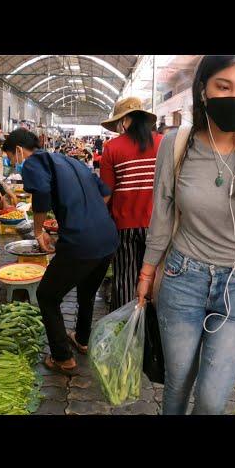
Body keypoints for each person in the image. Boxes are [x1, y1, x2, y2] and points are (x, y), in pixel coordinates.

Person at [136, 55, 235, 415]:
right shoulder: (176, 145)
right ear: (203, 91)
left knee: (211, 399)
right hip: (180, 278)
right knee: (177, 384)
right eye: (223, 86)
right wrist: (146, 274)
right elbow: (161, 215)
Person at [3, 128, 118, 375]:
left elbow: (41, 195)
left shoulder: (34, 162)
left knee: (47, 296)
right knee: (87, 292)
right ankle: (82, 340)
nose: (14, 163)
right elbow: (106, 192)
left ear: (19, 151)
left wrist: (37, 230)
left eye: (12, 158)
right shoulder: (72, 161)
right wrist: (88, 215)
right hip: (108, 238)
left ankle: (62, 358)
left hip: (80, 243)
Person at [99, 97, 163, 310]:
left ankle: (126, 329)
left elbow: (106, 192)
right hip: (157, 225)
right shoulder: (163, 143)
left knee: (125, 279)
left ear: (125, 120)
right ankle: (152, 329)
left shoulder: (112, 147)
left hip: (124, 225)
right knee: (154, 277)